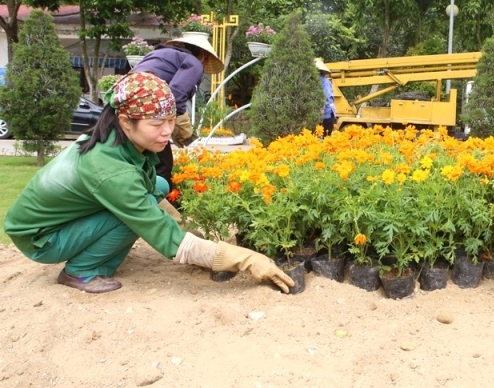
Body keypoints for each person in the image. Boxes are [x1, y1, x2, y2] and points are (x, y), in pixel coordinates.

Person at [3, 72, 293, 294]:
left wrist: (181, 224)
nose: (167, 131)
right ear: (127, 121)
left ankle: (92, 252)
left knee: (159, 187)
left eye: (170, 120)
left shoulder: (115, 140)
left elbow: (151, 193)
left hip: (63, 219)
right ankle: (80, 270)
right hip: (41, 238)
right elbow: (166, 237)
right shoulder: (111, 170)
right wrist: (246, 260)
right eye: (156, 124)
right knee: (132, 216)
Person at [131, 32, 224, 190]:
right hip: (148, 113)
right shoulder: (193, 62)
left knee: (139, 162)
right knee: (162, 166)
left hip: (128, 110)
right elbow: (175, 96)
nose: (205, 62)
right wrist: (183, 131)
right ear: (202, 54)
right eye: (206, 58)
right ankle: (157, 209)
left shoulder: (158, 54)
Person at [316, 57, 336, 136]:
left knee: (325, 138)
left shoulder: (324, 81)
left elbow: (325, 97)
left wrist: (321, 110)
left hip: (326, 114)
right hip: (321, 114)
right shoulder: (317, 81)